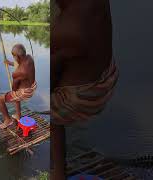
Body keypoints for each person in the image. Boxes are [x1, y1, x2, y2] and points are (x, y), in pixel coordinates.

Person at [51, 0, 118, 179]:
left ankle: (57, 173)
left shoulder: (66, 29)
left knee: (50, 112)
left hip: (82, 98)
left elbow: (49, 78)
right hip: (108, 75)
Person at [0, 44, 37, 129]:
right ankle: (18, 115)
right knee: (16, 96)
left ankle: (8, 120)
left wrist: (14, 79)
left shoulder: (17, 73)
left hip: (25, 93)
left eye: (14, 57)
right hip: (33, 86)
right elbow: (20, 64)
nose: (14, 59)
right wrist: (10, 63)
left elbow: (14, 89)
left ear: (18, 57)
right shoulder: (29, 58)